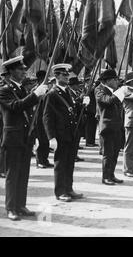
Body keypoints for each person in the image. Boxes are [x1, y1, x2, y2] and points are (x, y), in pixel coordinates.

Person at [0, 56, 48, 221]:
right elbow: (16, 107)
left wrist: (34, 136)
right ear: (11, 71)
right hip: (13, 138)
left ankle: (21, 205)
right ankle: (11, 208)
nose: (24, 71)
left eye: (24, 69)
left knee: (23, 173)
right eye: (20, 69)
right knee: (13, 175)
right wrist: (35, 95)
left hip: (26, 137)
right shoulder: (3, 90)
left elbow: (30, 113)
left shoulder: (22, 89)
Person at [43, 64, 88, 202]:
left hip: (71, 134)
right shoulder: (52, 94)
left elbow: (71, 112)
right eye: (64, 75)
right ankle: (60, 191)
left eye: (68, 75)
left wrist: (82, 104)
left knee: (69, 163)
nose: (67, 77)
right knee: (61, 163)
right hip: (61, 135)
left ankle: (69, 188)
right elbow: (47, 117)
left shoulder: (67, 92)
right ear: (56, 76)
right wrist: (51, 137)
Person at [95, 69, 125, 185]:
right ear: (107, 81)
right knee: (108, 153)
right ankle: (106, 176)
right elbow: (107, 101)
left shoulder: (114, 90)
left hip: (116, 125)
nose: (117, 81)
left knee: (115, 152)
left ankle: (111, 174)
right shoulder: (99, 90)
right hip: (106, 126)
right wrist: (121, 92)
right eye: (115, 79)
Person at [68, 76, 85, 162]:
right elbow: (73, 104)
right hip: (74, 118)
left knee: (77, 138)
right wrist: (80, 99)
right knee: (74, 139)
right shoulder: (70, 93)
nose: (78, 86)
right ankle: (72, 155)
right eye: (77, 84)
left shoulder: (76, 92)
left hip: (79, 117)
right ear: (72, 85)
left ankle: (75, 154)